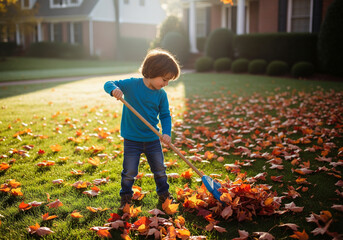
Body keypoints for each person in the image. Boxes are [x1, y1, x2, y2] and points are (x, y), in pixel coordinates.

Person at [104, 49, 181, 208]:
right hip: (132, 139)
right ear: (153, 72)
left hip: (152, 139)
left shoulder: (161, 94)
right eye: (164, 79)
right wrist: (114, 90)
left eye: (168, 81)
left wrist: (166, 133)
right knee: (129, 172)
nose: (165, 84)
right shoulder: (132, 85)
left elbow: (165, 115)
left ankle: (164, 195)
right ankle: (126, 197)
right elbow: (108, 84)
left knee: (160, 170)